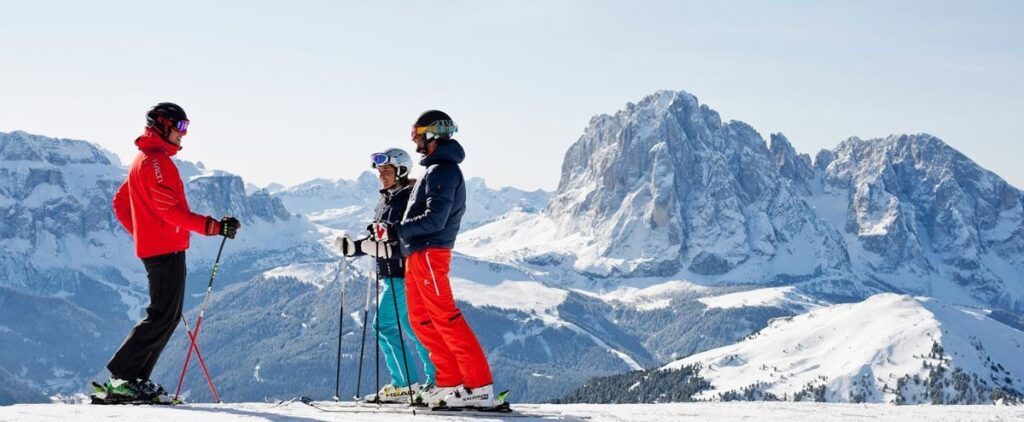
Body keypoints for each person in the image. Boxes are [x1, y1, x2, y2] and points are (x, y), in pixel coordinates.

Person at [105, 102, 240, 402]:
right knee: (162, 315)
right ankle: (122, 377)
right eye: (180, 127)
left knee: (168, 315)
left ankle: (135, 379)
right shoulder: (155, 162)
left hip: (161, 246)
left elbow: (119, 203)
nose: (184, 134)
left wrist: (144, 232)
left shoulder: (146, 159)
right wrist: (215, 227)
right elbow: (172, 212)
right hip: (164, 249)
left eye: (186, 128)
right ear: (163, 125)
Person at [379, 110, 498, 409]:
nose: (413, 139)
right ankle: (449, 381)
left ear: (431, 134)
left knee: (445, 316)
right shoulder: (433, 169)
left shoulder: (444, 170)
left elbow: (435, 219)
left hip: (432, 252)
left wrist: (395, 230)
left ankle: (478, 386)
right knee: (420, 320)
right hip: (416, 254)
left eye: (416, 133)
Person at [334, 148, 437, 403]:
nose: (381, 176)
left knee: (386, 325)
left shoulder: (409, 200)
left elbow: (407, 236)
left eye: (386, 171)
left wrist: (383, 247)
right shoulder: (387, 200)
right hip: (392, 275)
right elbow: (378, 238)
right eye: (379, 171)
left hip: (404, 274)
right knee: (412, 328)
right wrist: (354, 247)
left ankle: (408, 384)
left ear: (401, 171)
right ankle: (433, 380)